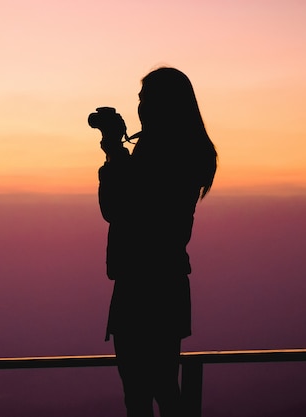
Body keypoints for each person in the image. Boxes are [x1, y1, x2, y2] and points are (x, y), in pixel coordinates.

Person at [92, 67, 217, 417]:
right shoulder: (188, 150)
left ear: (164, 104)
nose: (141, 107)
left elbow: (119, 206)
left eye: (146, 98)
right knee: (163, 388)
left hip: (143, 285)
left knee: (142, 393)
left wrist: (114, 149)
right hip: (164, 282)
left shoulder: (163, 151)